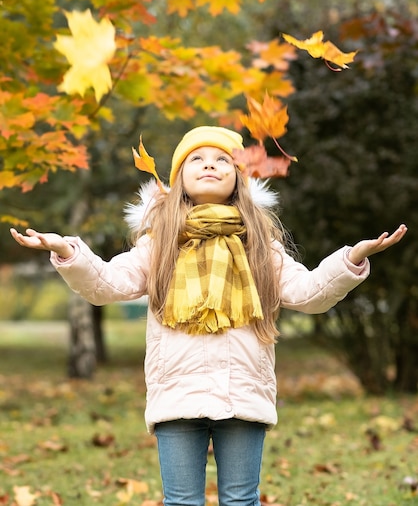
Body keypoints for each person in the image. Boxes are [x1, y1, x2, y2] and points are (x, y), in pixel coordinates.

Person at [10, 126, 407, 506]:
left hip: (244, 394)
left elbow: (308, 294)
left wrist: (350, 259)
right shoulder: (160, 242)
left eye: (222, 159)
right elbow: (107, 283)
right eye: (196, 158)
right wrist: (68, 253)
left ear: (239, 178)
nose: (209, 164)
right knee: (181, 500)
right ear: (179, 177)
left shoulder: (258, 245)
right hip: (176, 396)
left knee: (241, 500)